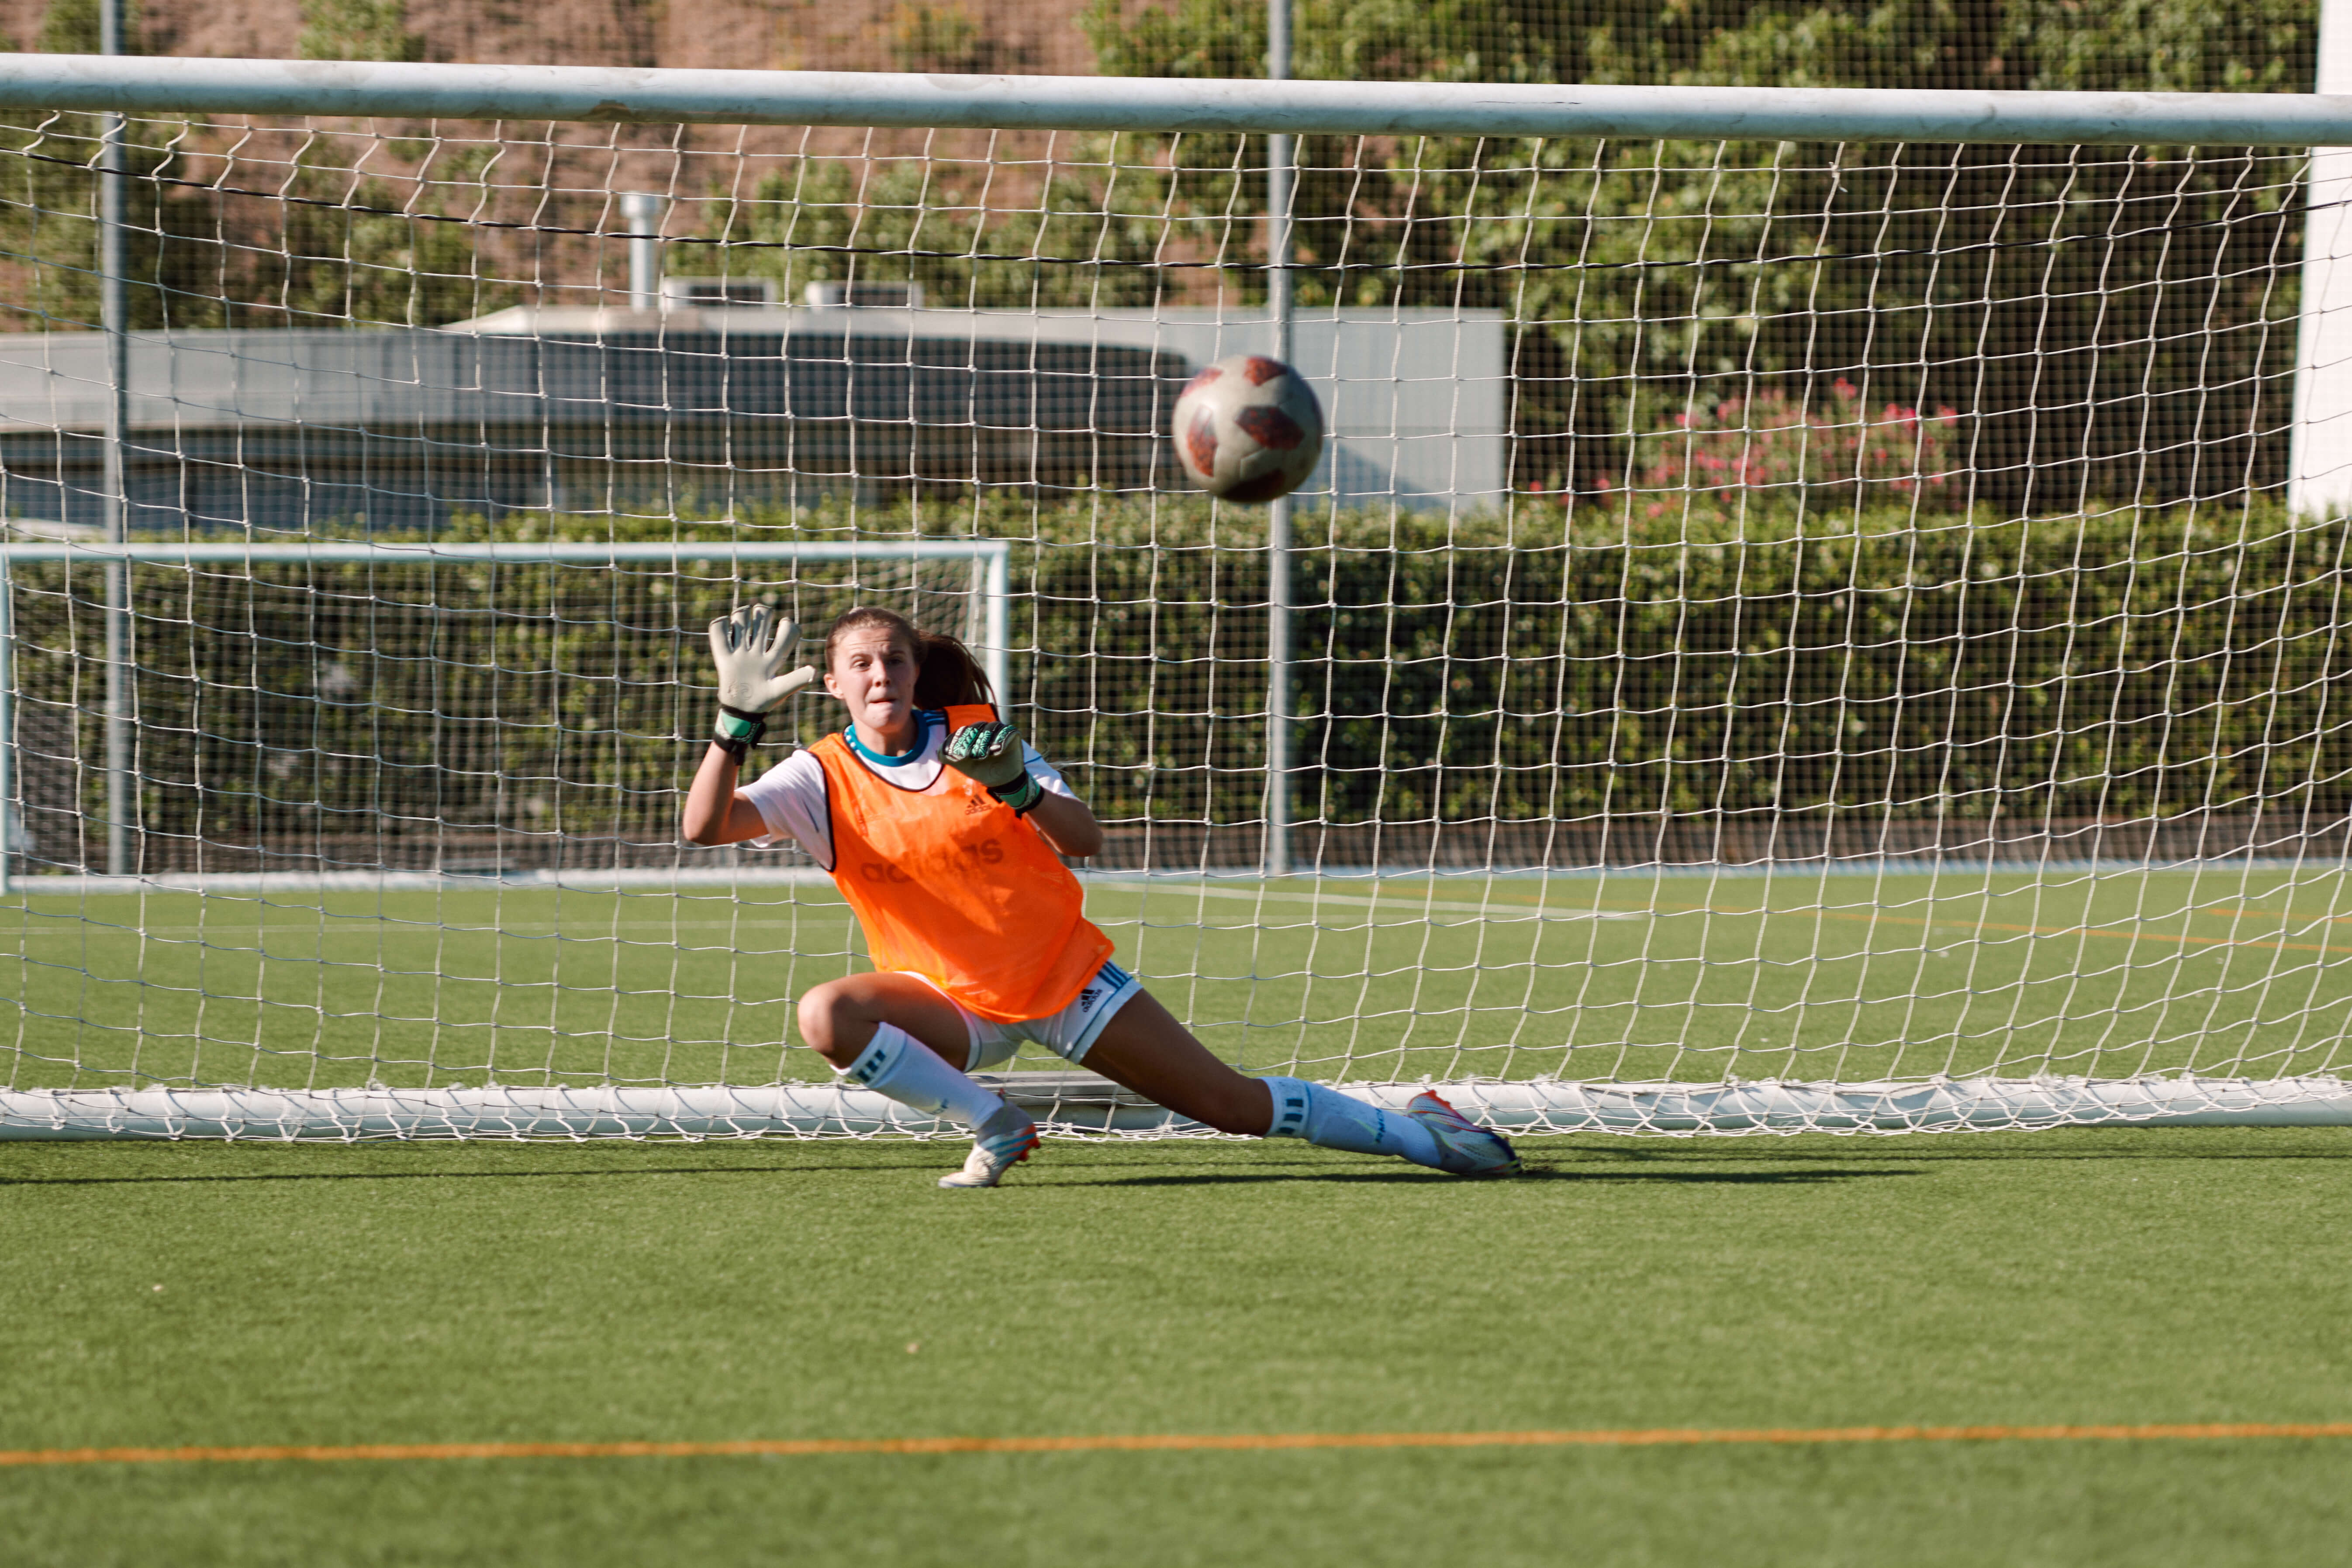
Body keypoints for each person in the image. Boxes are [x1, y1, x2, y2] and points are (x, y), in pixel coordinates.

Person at [682, 601, 1522, 1189]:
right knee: (826, 1014)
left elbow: (1082, 839)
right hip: (949, 1001)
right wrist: (732, 723)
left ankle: (1432, 1135)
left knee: (1227, 1104)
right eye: (859, 664)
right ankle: (997, 1123)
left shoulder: (977, 738)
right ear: (832, 682)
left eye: (893, 659)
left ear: (914, 670)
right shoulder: (818, 774)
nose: (880, 675)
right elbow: (703, 827)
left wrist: (1016, 783)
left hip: (1061, 978)